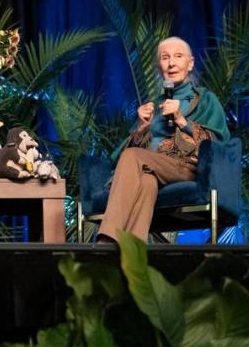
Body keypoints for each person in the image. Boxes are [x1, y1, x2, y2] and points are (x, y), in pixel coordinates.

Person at [96, 36, 229, 242]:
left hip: (186, 166)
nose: (171, 63)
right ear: (159, 65)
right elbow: (120, 156)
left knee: (133, 157)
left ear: (190, 63)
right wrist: (141, 127)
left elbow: (217, 142)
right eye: (165, 58)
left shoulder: (204, 99)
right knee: (146, 183)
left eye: (178, 56)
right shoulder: (152, 106)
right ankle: (133, 253)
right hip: (152, 167)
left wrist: (180, 119)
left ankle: (107, 237)